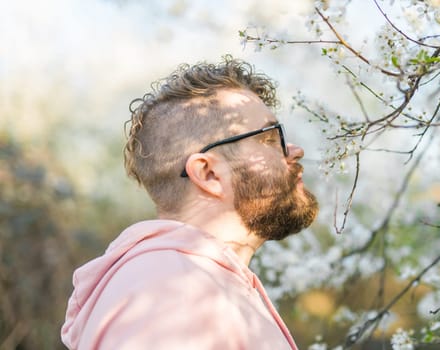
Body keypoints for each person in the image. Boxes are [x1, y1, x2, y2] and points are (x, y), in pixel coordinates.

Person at [61, 56, 319, 350]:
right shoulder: (172, 291)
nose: (294, 150)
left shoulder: (188, 282)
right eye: (269, 139)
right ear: (208, 173)